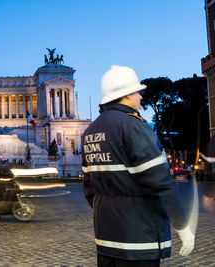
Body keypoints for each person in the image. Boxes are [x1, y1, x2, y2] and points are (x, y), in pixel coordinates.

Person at [82, 65, 195, 267]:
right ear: (125, 94)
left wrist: (111, 210)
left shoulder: (91, 131)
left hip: (106, 239)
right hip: (139, 241)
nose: (141, 96)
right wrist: (182, 225)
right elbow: (159, 182)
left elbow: (89, 189)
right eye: (138, 91)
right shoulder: (133, 126)